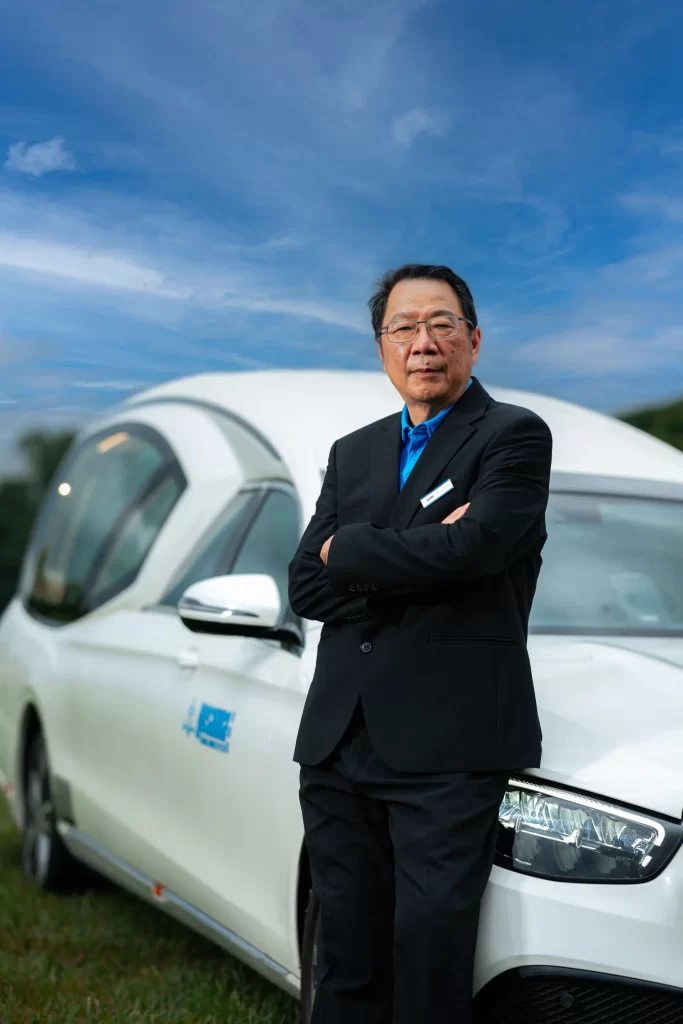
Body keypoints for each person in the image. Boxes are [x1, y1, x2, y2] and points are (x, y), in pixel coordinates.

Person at [288, 263, 553, 1024]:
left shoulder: (512, 435)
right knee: (346, 964)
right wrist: (421, 551)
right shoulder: (354, 451)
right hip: (339, 742)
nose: (423, 342)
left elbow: (472, 551)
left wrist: (353, 551)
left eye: (441, 324)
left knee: (431, 966)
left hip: (448, 752)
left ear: (474, 339)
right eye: (403, 328)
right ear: (382, 348)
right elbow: (306, 586)